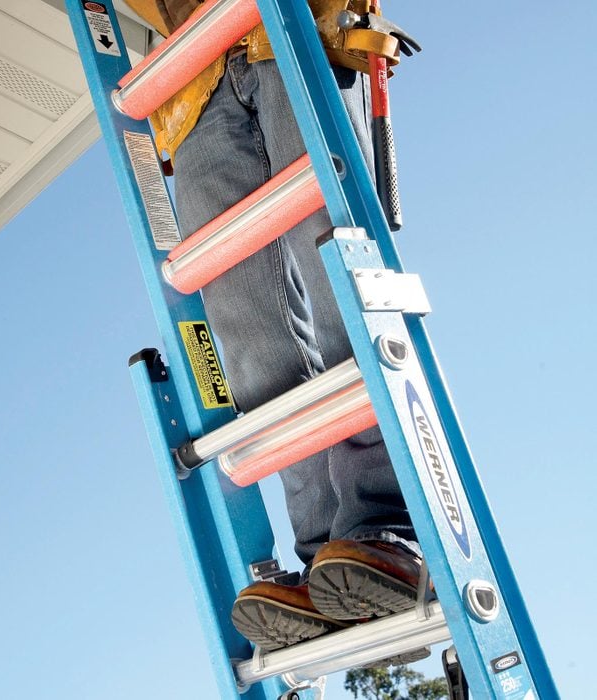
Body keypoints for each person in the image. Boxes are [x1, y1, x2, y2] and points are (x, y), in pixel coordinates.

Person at [123, 0, 425, 654]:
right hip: (195, 89)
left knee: (339, 275)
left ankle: (384, 528)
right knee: (250, 343)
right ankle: (328, 560)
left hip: (287, 30)